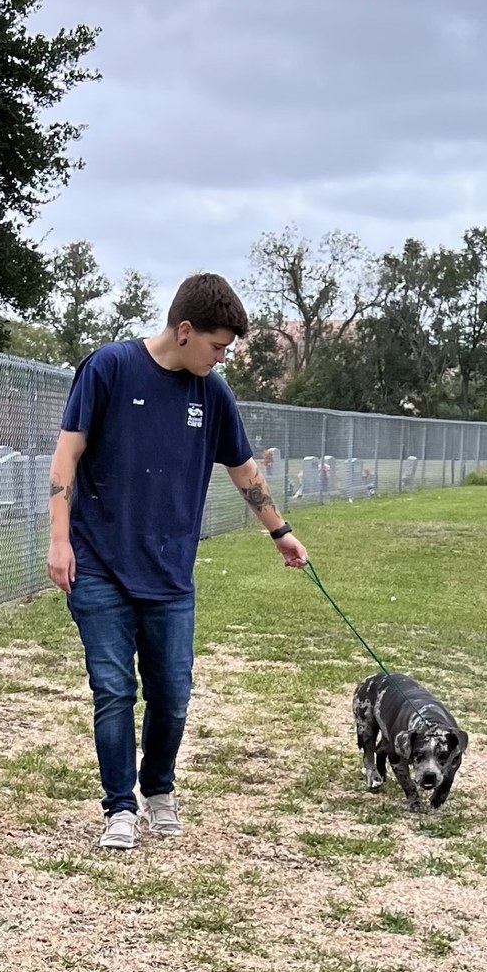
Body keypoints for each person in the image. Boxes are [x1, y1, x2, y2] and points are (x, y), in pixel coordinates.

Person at [46, 271, 308, 850]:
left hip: (169, 574)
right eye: (217, 346)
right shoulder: (109, 368)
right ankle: (118, 807)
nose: (221, 358)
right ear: (184, 331)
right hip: (99, 564)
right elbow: (67, 453)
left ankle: (157, 789)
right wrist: (59, 539)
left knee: (172, 694)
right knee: (113, 689)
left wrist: (280, 532)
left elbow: (244, 470)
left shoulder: (212, 394)